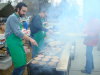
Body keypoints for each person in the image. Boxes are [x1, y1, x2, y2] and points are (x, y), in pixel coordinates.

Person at [5, 2, 38, 75]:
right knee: (20, 66)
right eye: (23, 11)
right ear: (17, 9)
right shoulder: (13, 17)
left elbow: (18, 30)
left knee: (23, 63)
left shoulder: (17, 17)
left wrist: (23, 31)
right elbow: (17, 33)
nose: (24, 13)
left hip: (17, 42)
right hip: (13, 43)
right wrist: (30, 39)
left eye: (25, 11)